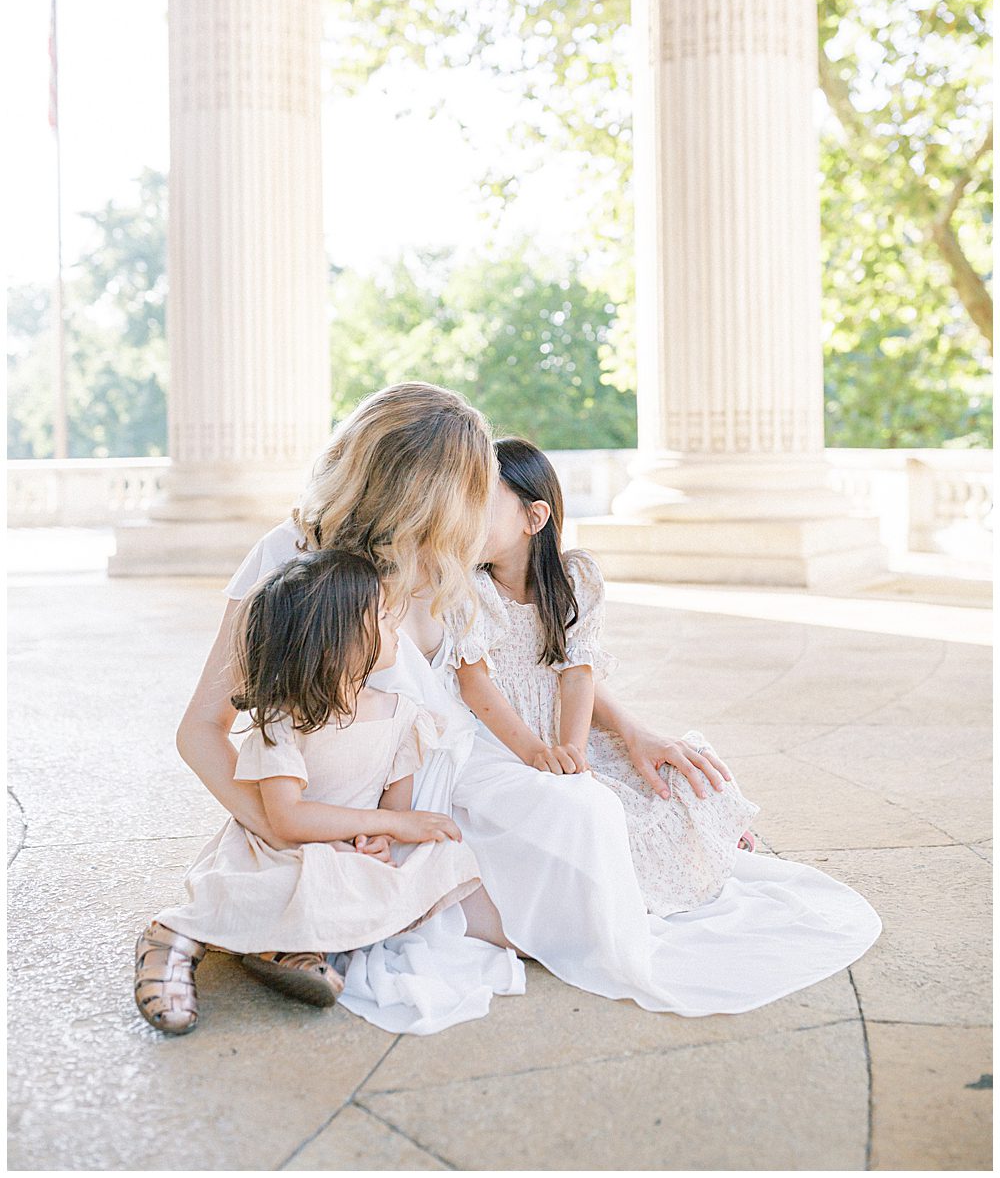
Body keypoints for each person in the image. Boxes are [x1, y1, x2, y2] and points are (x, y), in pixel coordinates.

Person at [142, 381, 880, 1034]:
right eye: (464, 486)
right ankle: (268, 914)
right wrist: (286, 824)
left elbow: (542, 660)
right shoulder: (291, 558)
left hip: (447, 762)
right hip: (344, 775)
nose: (472, 506)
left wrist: (628, 726)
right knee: (458, 895)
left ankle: (327, 918)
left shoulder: (441, 552)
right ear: (410, 490)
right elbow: (200, 730)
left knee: (582, 828)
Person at [135, 548, 485, 1035]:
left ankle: (285, 946)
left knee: (431, 863)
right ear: (337, 640)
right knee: (278, 879)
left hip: (346, 852)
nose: (395, 624)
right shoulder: (285, 716)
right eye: (382, 616)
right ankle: (175, 935)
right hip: (280, 846)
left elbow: (393, 805)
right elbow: (287, 819)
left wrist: (380, 838)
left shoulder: (403, 715)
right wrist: (389, 824)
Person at [444, 436, 759, 918]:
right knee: (586, 813)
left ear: (535, 518)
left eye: (480, 503)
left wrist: (573, 753)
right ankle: (660, 863)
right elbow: (474, 682)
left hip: (566, 729)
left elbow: (577, 672)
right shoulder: (470, 587)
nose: (464, 518)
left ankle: (704, 841)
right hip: (505, 737)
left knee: (672, 777)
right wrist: (537, 753)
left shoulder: (575, 579)